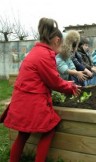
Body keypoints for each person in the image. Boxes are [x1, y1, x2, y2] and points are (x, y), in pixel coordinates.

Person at [3, 17, 81, 162]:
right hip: (32, 101)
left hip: (21, 99)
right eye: (61, 43)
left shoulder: (35, 52)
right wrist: (71, 87)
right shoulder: (45, 55)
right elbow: (54, 82)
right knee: (49, 129)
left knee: (23, 134)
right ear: (56, 40)